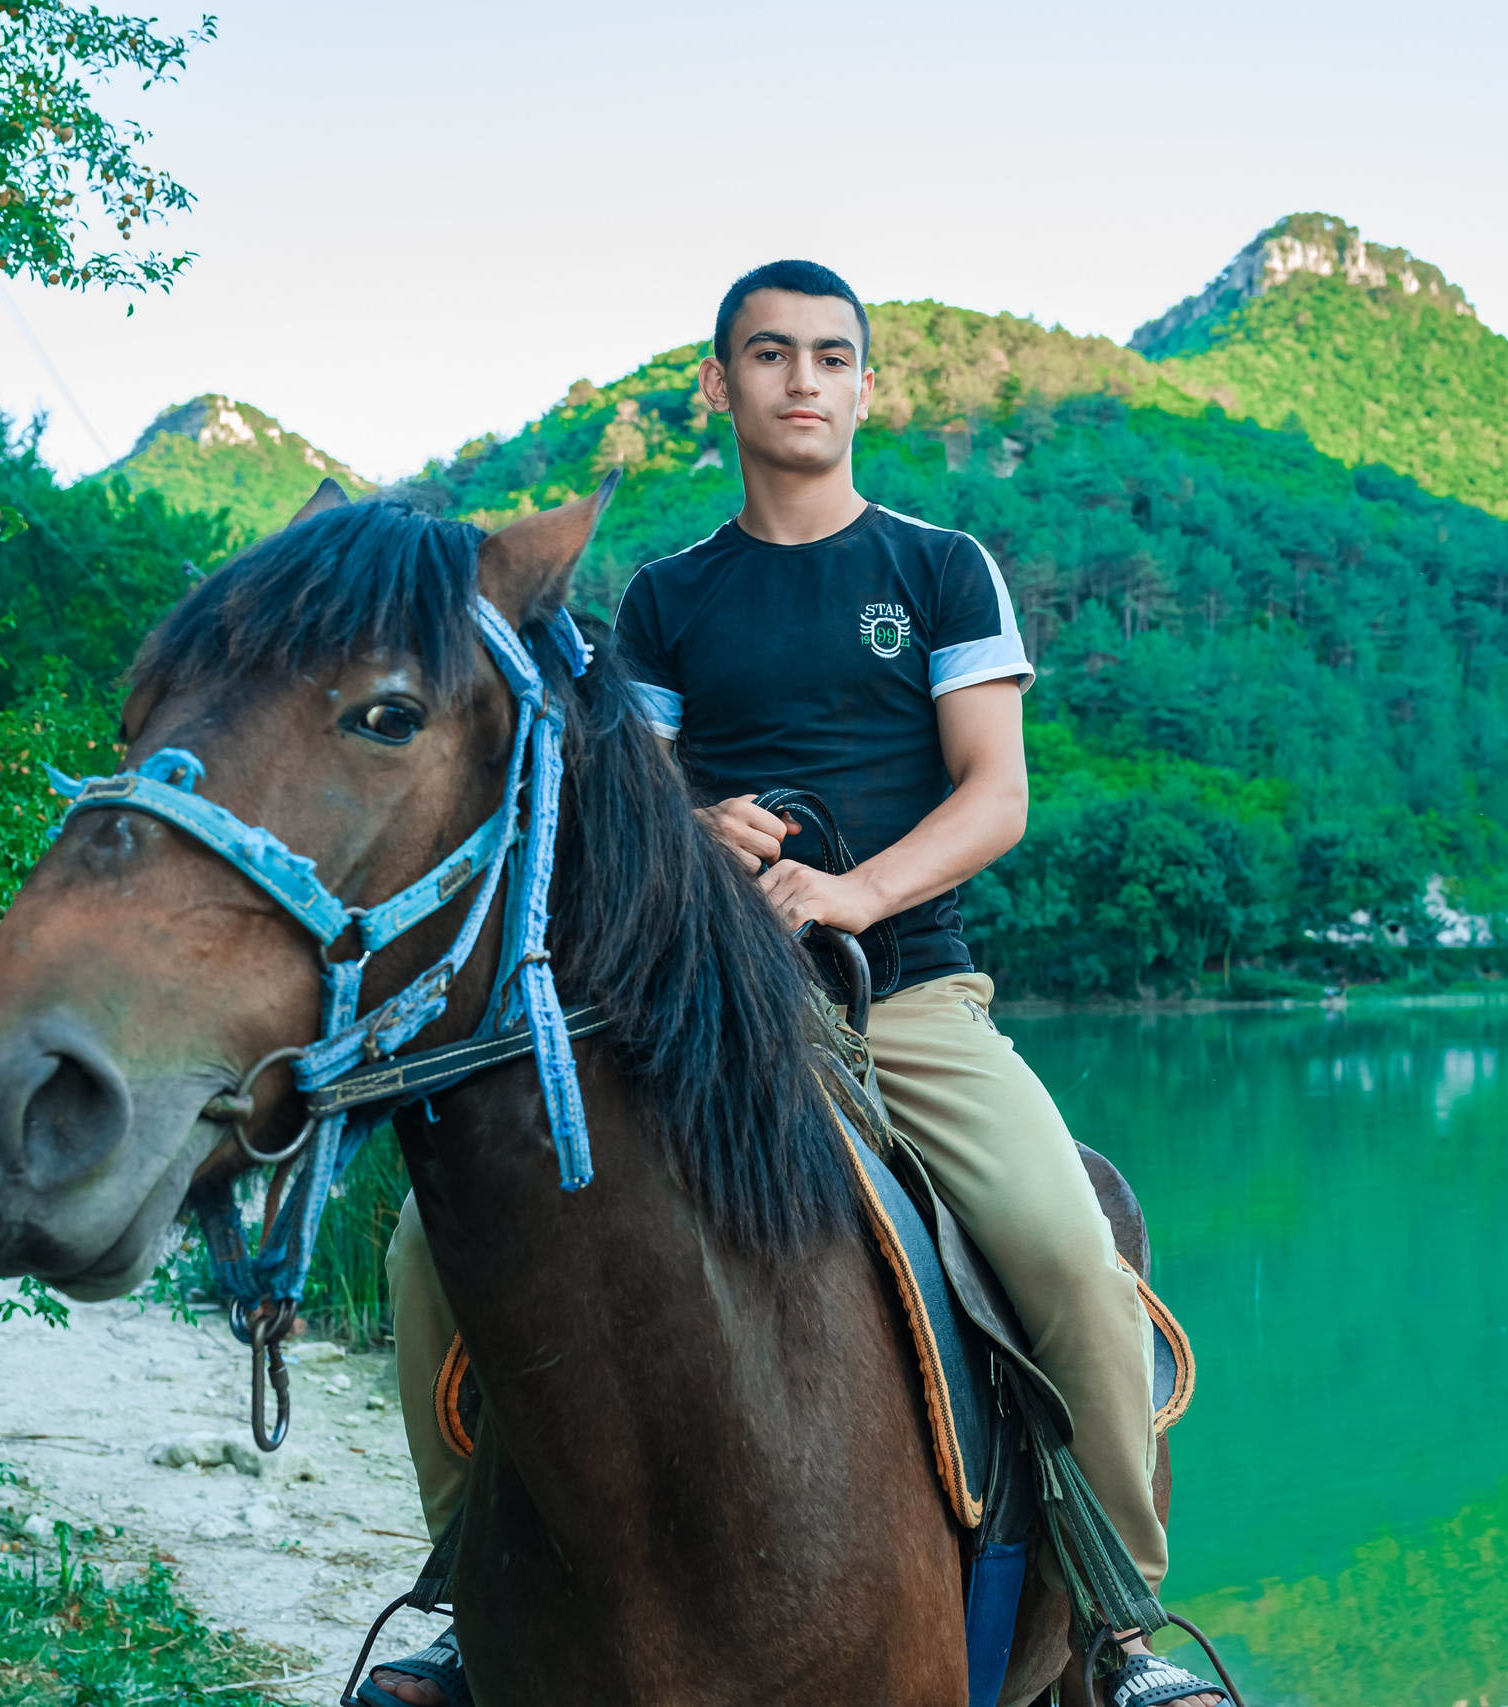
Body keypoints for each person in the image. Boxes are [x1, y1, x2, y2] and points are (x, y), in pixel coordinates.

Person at [362, 261, 1221, 1707]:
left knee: (1075, 1260)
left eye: (832, 356)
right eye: (770, 355)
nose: (803, 380)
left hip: (908, 1006)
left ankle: (1122, 1626)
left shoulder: (936, 568)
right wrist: (688, 830)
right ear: (722, 385)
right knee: (421, 1258)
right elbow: (614, 820)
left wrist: (853, 891)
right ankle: (464, 1609)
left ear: (867, 388)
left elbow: (994, 793)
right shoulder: (673, 600)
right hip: (693, 1022)